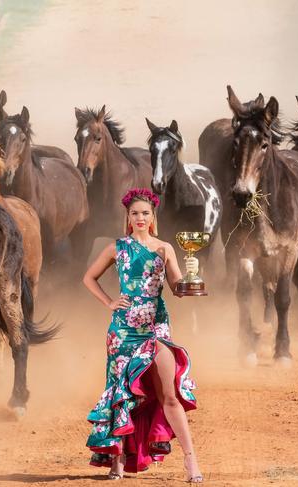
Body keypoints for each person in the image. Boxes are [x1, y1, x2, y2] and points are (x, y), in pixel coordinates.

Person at [83, 187, 203, 483]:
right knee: (121, 396)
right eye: (134, 213)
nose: (139, 218)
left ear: (153, 217)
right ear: (128, 216)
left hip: (156, 327)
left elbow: (177, 288)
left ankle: (191, 461)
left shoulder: (165, 248)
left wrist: (191, 279)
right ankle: (117, 462)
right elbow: (88, 278)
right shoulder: (117, 247)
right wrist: (110, 302)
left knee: (169, 395)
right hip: (122, 331)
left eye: (145, 214)